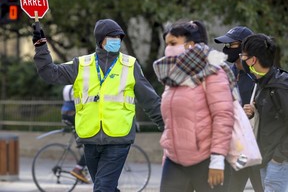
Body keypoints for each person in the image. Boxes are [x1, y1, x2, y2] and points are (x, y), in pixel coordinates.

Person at [32, 18, 164, 192]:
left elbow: (150, 100)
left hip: (119, 139)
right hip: (90, 139)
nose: (117, 40)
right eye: (112, 37)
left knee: (102, 189)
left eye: (119, 37)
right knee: (105, 187)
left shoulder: (130, 65)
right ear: (100, 39)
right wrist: (41, 45)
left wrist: (167, 126)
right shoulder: (81, 64)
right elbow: (50, 73)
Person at [153, 20, 236, 192]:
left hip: (206, 159)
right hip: (174, 161)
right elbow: (171, 122)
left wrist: (217, 159)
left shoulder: (213, 72)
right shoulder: (172, 77)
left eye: (173, 43)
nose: (168, 48)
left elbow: (223, 116)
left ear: (190, 45)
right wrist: (167, 153)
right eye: (167, 44)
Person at [214, 26, 263, 192]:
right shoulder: (227, 74)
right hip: (238, 150)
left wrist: (256, 111)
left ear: (245, 47)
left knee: (263, 188)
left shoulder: (260, 74)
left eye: (231, 45)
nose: (226, 49)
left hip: (260, 150)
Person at [240, 33, 288, 192]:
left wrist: (279, 157)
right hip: (266, 159)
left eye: (244, 56)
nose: (242, 59)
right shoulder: (262, 83)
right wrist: (254, 112)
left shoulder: (280, 87)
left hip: (278, 164)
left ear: (253, 60)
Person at [61, 84, 89, 184]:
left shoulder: (67, 86)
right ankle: (78, 169)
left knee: (85, 143)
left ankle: (83, 170)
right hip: (73, 114)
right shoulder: (78, 86)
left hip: (65, 114)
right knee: (91, 144)